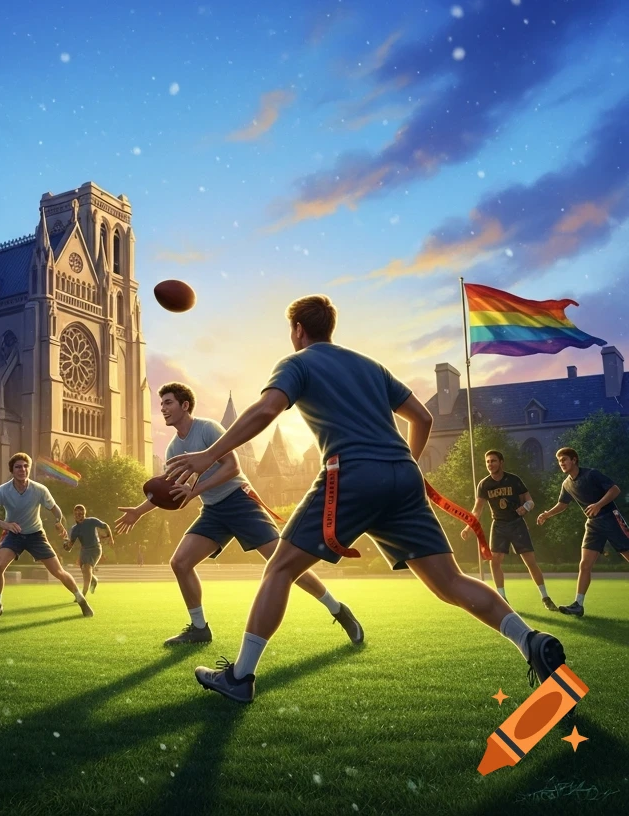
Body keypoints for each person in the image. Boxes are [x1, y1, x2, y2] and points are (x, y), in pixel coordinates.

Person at [166, 295, 567, 704]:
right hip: (404, 477)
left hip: (350, 474)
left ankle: (240, 677)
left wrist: (209, 454)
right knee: (450, 582)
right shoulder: (371, 365)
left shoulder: (296, 363)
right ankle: (529, 640)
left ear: (298, 330)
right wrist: (403, 465)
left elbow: (268, 409)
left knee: (281, 568)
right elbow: (422, 418)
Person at [117, 382, 363, 647]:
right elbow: (168, 491)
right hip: (213, 511)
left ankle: (338, 609)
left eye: (168, 403)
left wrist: (195, 490)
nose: (162, 409)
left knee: (284, 564)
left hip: (240, 502)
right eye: (161, 404)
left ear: (184, 405)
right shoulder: (173, 450)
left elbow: (233, 468)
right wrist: (138, 512)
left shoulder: (208, 429)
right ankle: (199, 629)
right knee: (180, 562)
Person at [0, 453, 94, 624]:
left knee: (58, 572)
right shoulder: (2, 491)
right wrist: (5, 524)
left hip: (36, 535)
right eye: (18, 467)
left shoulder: (39, 489)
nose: (22, 469)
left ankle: (81, 599)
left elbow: (55, 509)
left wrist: (58, 521)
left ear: (29, 468)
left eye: (25, 466)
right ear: (12, 470)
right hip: (14, 535)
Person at [537, 446, 628, 617]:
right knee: (584, 564)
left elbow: (615, 489)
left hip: (611, 518)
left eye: (564, 460)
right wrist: (547, 514)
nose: (561, 463)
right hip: (593, 525)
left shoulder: (591, 474)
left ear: (574, 460)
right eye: (559, 461)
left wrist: (598, 505)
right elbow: (562, 504)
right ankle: (578, 605)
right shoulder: (566, 484)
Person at [462, 450, 556, 610]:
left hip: (516, 523)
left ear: (501, 462)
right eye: (488, 461)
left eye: (493, 461)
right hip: (499, 525)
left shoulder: (514, 480)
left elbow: (530, 501)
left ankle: (545, 597)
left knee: (530, 562)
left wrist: (525, 507)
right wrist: (468, 527)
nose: (490, 464)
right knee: (494, 562)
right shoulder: (484, 484)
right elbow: (477, 509)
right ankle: (502, 598)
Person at [64, 504, 113, 595]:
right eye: (77, 514)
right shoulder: (75, 529)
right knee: (84, 570)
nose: (79, 516)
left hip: (95, 548)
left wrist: (111, 538)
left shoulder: (91, 521)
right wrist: (66, 544)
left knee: (87, 568)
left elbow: (105, 525)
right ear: (74, 515)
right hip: (84, 550)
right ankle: (94, 580)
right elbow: (70, 546)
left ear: (84, 514)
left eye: (81, 514)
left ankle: (83, 594)